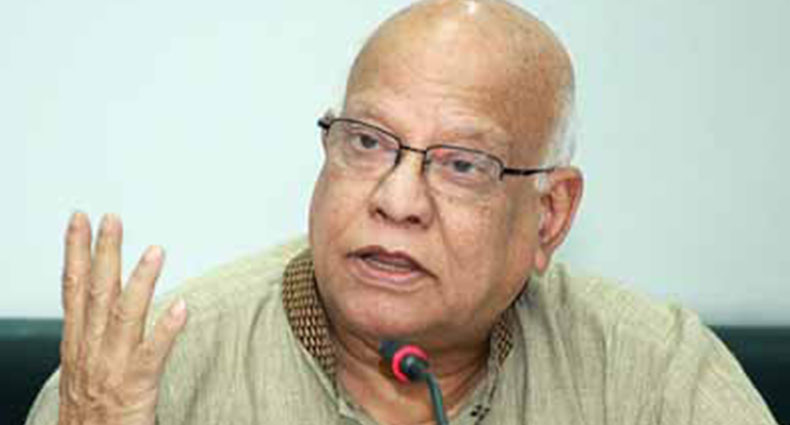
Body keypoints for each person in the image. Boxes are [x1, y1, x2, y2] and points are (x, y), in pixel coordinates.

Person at [26, 0, 778, 424]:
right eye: (367, 141)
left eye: (462, 164)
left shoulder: (654, 377)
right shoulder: (141, 383)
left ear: (550, 216)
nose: (397, 199)